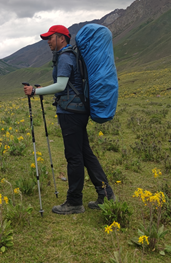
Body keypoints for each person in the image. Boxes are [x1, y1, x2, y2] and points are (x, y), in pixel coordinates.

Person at [23, 25, 115, 215]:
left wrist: (35, 91)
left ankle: (74, 202)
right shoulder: (70, 56)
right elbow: (66, 85)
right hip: (78, 111)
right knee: (86, 154)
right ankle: (106, 194)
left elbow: (61, 85)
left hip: (71, 113)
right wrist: (43, 88)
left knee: (74, 157)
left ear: (62, 38)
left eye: (51, 38)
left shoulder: (65, 57)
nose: (48, 41)